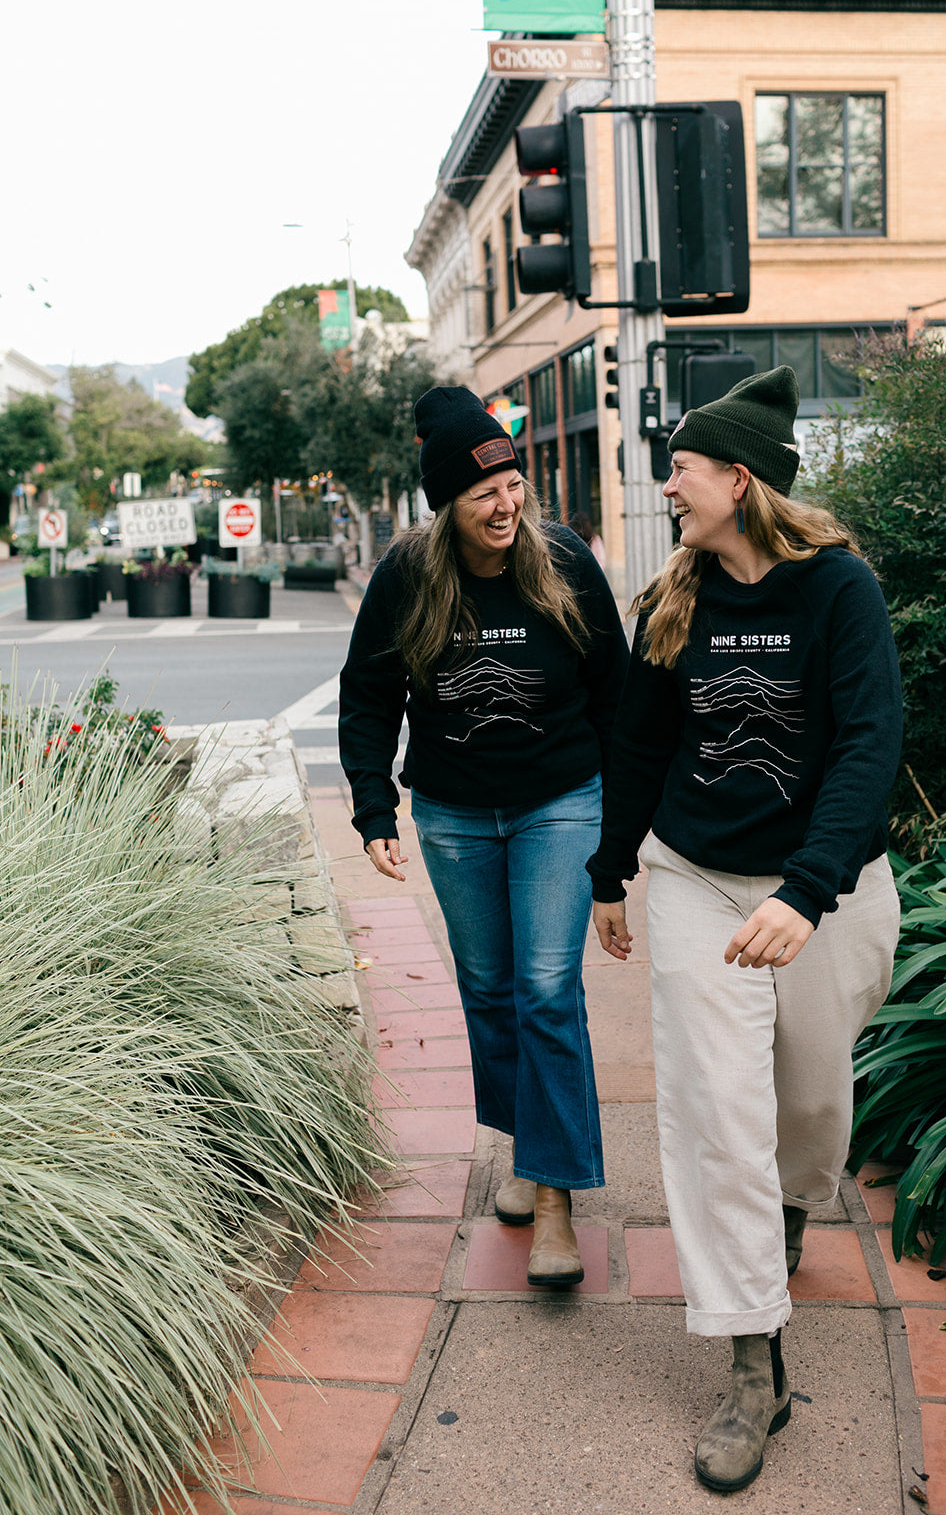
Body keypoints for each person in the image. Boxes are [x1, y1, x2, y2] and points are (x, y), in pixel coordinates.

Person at [587, 366, 902, 1493]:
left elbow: (869, 745)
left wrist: (804, 890)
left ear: (738, 477)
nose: (663, 483)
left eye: (678, 467)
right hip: (695, 878)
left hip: (825, 886)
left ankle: (780, 1226)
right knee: (716, 1107)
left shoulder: (836, 592)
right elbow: (635, 746)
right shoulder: (672, 599)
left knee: (810, 1104)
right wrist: (613, 873)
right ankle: (750, 1360)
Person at [339, 385, 628, 1287]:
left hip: (559, 800)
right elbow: (368, 692)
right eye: (482, 493)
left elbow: (616, 692)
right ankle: (523, 1148)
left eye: (511, 484)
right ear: (446, 505)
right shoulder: (409, 574)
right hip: (456, 812)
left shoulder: (564, 561)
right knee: (489, 988)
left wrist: (622, 829)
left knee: (545, 989)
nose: (504, 505)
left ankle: (554, 1198)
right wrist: (370, 805)